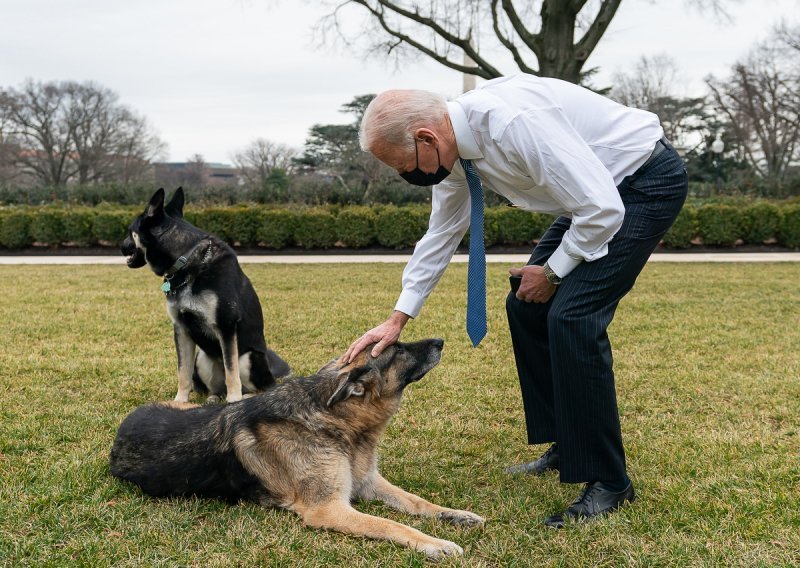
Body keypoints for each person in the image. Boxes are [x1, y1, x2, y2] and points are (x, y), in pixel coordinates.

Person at [344, 74, 687, 527]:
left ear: (426, 137)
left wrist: (552, 271)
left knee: (572, 317)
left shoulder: (513, 124)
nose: (406, 175)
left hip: (640, 185)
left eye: (403, 165)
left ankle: (610, 481)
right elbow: (441, 234)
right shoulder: (453, 154)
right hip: (592, 197)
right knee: (527, 307)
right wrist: (397, 320)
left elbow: (604, 209)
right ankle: (569, 444)